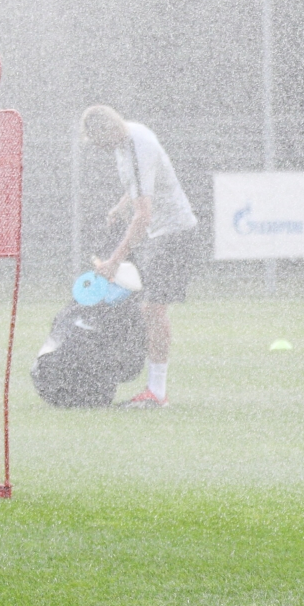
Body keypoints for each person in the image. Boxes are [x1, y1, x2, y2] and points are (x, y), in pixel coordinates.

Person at [80, 105, 199, 408]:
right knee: (149, 309)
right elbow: (143, 182)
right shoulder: (129, 135)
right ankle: (154, 390)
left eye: (96, 142)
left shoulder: (135, 146)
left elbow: (143, 216)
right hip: (162, 234)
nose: (98, 149)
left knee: (152, 310)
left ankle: (156, 393)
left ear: (105, 132)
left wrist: (113, 261)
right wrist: (122, 206)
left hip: (173, 232)